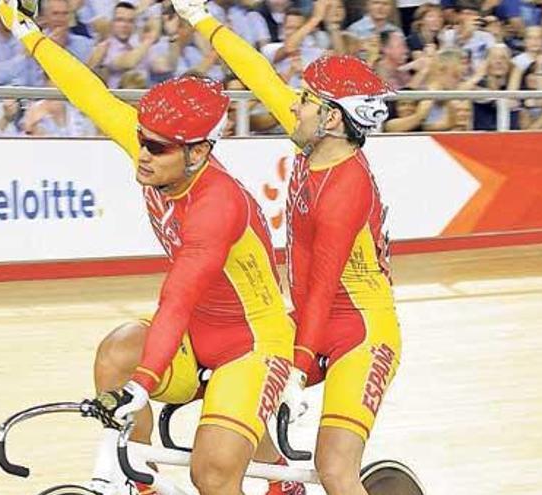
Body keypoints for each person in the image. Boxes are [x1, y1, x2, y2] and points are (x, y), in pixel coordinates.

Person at [0, 3, 304, 495]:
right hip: (196, 335)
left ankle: (278, 479)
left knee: (212, 473)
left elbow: (175, 300)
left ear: (199, 152)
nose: (141, 154)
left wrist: (141, 385)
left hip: (253, 345)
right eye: (139, 140)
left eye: (156, 148)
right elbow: (87, 91)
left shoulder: (217, 205)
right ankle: (145, 486)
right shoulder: (158, 149)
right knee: (117, 353)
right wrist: (25, 30)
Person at [172, 2, 403, 495]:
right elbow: (257, 72)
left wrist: (297, 370)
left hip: (361, 333)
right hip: (315, 316)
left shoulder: (346, 187)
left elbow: (321, 288)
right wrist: (201, 19)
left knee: (336, 469)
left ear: (334, 120)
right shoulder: (312, 139)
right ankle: (282, 483)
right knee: (245, 374)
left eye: (305, 99)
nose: (293, 105)